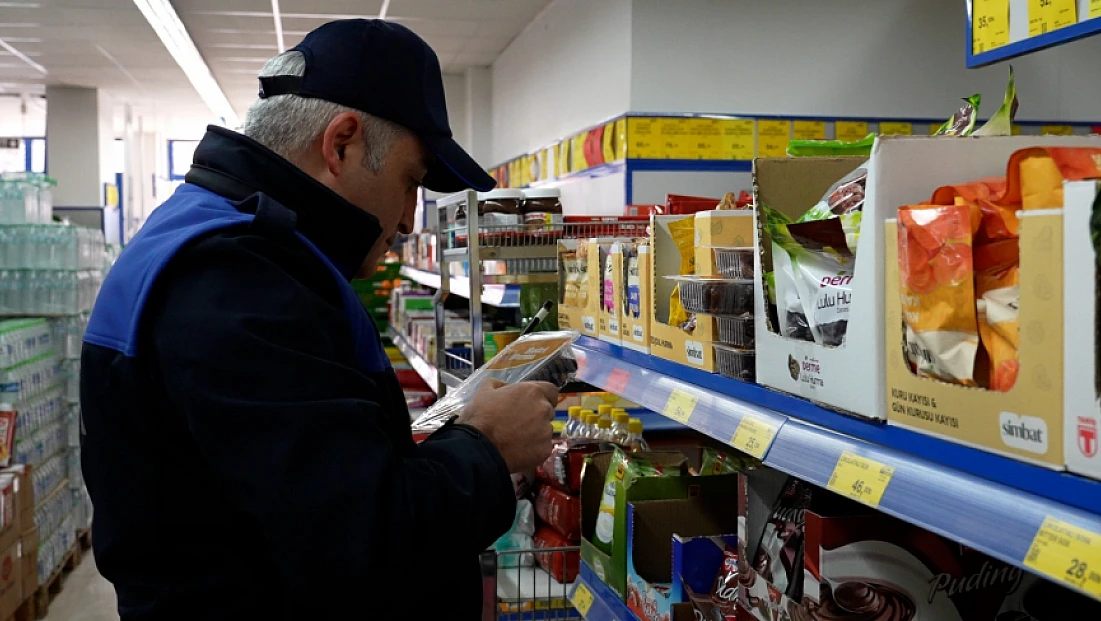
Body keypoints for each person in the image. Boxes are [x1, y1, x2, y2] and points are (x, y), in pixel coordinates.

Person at [80, 19, 557, 620]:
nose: (409, 220)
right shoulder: (236, 277)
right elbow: (359, 542)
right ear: (341, 144)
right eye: (410, 182)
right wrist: (486, 447)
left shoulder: (216, 236)